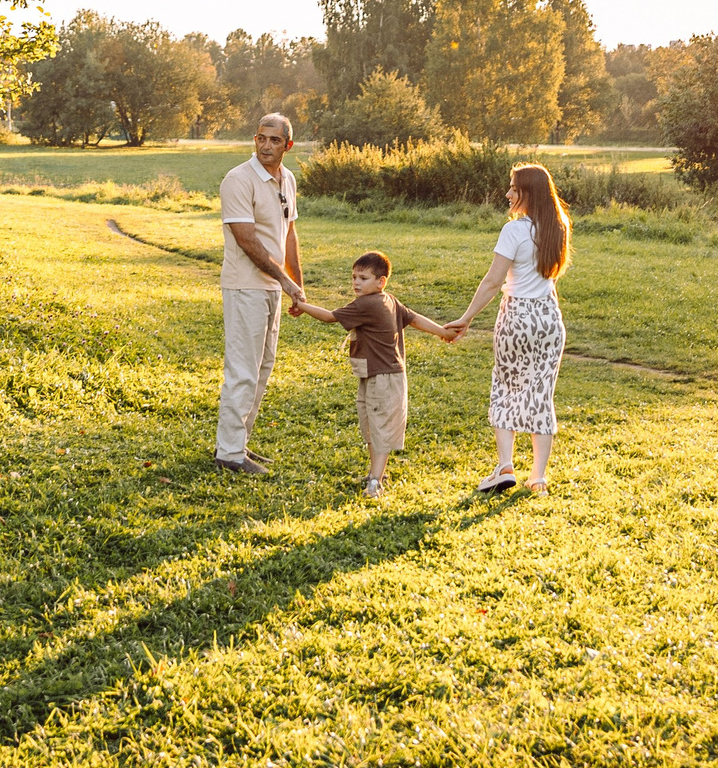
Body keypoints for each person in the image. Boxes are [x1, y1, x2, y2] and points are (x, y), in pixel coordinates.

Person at [290, 249, 459, 497]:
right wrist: (443, 332)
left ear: (381, 281)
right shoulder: (388, 300)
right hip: (374, 374)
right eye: (354, 277)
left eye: (363, 278)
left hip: (384, 377)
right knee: (372, 426)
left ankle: (375, 481)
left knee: (380, 428)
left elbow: (329, 317)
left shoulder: (366, 305)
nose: (357, 283)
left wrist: (301, 305)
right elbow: (414, 319)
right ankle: (375, 474)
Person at [447, 163, 572, 494]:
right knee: (541, 395)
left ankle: (505, 466)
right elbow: (550, 276)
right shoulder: (559, 226)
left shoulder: (514, 231)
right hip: (548, 317)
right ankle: (539, 478)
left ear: (527, 193)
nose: (507, 194)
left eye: (513, 189)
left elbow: (492, 281)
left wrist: (467, 318)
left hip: (516, 316)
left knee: (505, 387)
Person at [215, 114, 303, 476]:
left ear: (288, 145)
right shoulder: (238, 180)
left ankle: (239, 444)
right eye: (261, 139)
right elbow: (247, 240)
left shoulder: (288, 180)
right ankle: (229, 454)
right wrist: (285, 281)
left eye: (274, 140)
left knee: (263, 369)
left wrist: (298, 285)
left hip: (273, 286)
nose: (266, 146)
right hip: (245, 286)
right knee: (243, 371)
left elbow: (289, 234)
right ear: (255, 140)